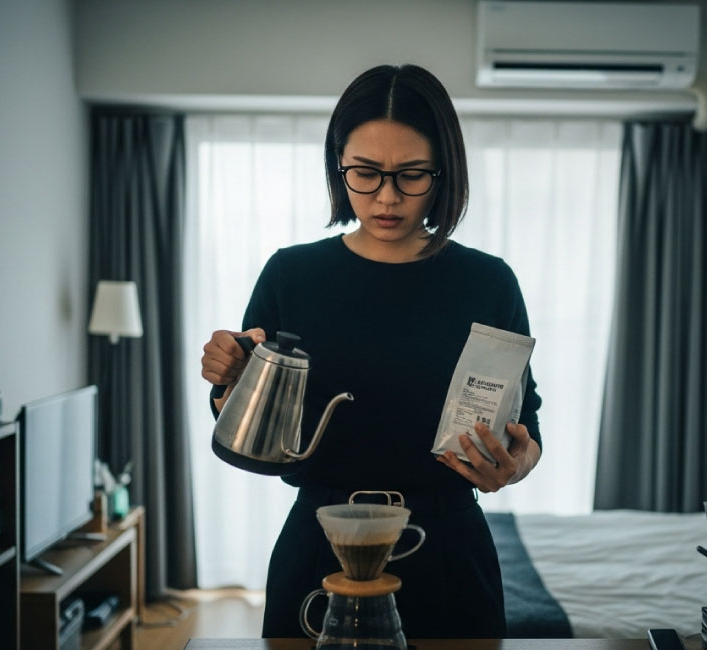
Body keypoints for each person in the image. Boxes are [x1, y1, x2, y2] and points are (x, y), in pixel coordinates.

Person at [200, 63, 543, 639]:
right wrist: (229, 382)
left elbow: (526, 427)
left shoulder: (489, 283)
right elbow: (251, 433)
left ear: (444, 171)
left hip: (448, 550)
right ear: (339, 166)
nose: (387, 197)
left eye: (411, 175)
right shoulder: (291, 276)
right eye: (365, 173)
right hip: (322, 545)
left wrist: (513, 466)